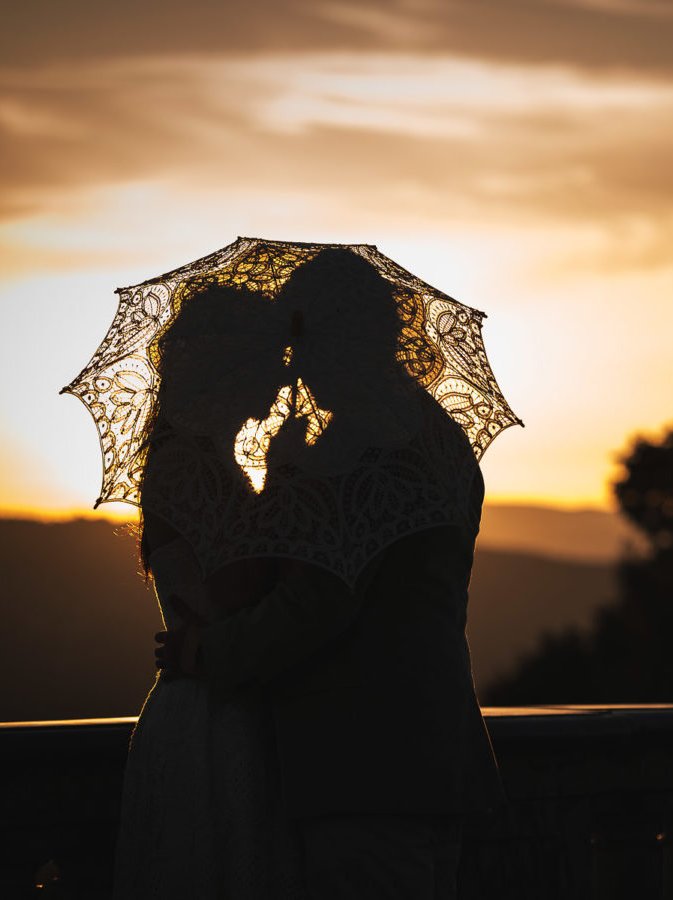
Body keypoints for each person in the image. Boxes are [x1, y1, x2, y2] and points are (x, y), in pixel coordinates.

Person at [120, 249, 504, 899]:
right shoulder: (438, 434)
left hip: (364, 766)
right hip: (435, 747)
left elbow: (319, 601)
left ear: (332, 341)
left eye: (299, 345)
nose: (292, 366)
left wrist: (204, 652)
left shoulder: (359, 452)